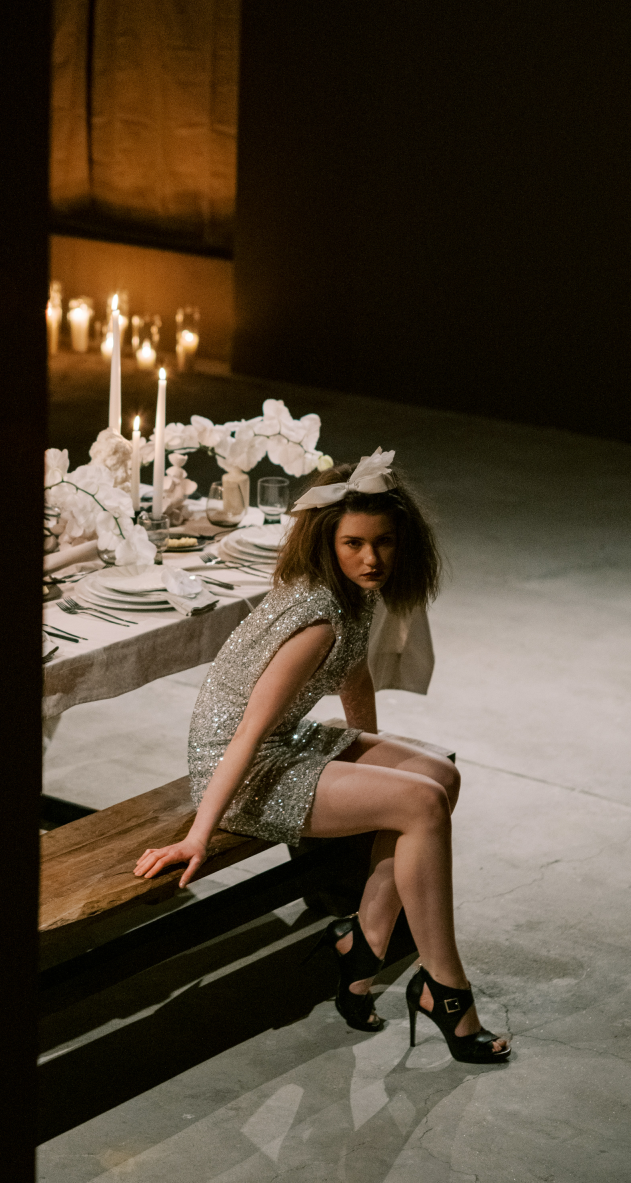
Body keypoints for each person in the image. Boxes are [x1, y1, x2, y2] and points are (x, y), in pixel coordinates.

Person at [133, 450, 510, 1064]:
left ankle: (364, 943)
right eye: (354, 543)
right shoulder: (318, 620)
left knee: (439, 776)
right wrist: (198, 835)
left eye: (383, 542)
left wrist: (375, 763)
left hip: (288, 743)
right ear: (328, 543)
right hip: (244, 771)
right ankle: (446, 990)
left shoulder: (351, 597)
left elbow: (354, 675)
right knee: (420, 803)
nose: (371, 558)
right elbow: (248, 732)